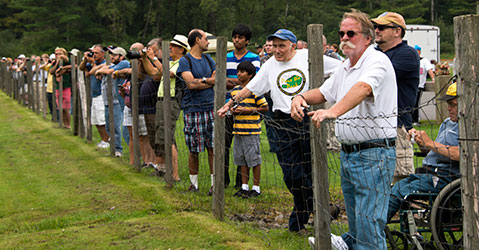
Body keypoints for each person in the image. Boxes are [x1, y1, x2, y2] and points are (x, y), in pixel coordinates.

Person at [296, 9, 397, 249]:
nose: (344, 38)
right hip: (350, 154)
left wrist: (333, 111)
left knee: (368, 226)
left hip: (374, 155)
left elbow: (363, 88)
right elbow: (323, 91)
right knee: (357, 225)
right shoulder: (346, 66)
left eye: (351, 33)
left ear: (368, 38)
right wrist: (301, 97)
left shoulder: (377, 61)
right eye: (341, 33)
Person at [232, 28, 340, 233]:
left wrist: (329, 91)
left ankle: (297, 225)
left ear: (292, 45)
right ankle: (322, 207)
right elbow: (252, 86)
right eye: (274, 46)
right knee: (292, 174)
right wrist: (232, 102)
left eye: (282, 46)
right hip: (282, 121)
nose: (277, 50)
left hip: (308, 118)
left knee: (310, 170)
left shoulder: (307, 57)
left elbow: (341, 69)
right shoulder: (270, 64)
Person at [387, 83, 459, 222]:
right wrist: (422, 142)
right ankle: (379, 227)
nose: (449, 108)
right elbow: (434, 150)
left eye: (453, 104)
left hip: (445, 177)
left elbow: (461, 154)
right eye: (448, 104)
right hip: (428, 173)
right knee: (396, 188)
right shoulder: (447, 123)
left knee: (401, 192)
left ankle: (374, 228)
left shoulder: (469, 127)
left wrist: (430, 143)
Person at [372, 12, 420, 183]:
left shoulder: (407, 54)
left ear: (397, 31)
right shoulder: (374, 54)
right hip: (372, 127)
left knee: (400, 180)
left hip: (397, 126)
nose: (377, 30)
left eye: (382, 27)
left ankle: (408, 210)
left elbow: (377, 78)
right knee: (374, 181)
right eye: (375, 27)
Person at [218, 61, 268, 198]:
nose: (239, 74)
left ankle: (256, 187)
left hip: (251, 131)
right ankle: (244, 187)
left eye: (242, 71)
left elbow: (265, 108)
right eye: (238, 71)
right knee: (241, 160)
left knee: (254, 159)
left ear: (250, 74)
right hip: (238, 130)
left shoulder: (256, 91)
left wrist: (247, 110)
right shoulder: (235, 91)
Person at [177, 29, 216, 194]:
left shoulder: (208, 59)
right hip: (193, 110)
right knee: (193, 149)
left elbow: (217, 78)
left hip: (210, 108)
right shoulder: (185, 61)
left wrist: (203, 81)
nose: (208, 42)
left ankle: (215, 185)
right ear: (198, 40)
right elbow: (191, 84)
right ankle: (194, 184)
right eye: (206, 39)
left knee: (213, 148)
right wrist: (209, 82)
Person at [225, 24, 261, 188]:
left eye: (240, 37)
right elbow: (222, 80)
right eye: (235, 37)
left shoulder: (254, 58)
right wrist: (239, 83)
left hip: (247, 106)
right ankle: (224, 179)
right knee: (226, 144)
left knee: (246, 145)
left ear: (247, 40)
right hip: (228, 105)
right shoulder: (226, 57)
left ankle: (242, 183)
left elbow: (255, 82)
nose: (237, 40)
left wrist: (234, 83)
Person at [154, 34, 189, 181]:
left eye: (173, 46)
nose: (170, 48)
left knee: (169, 135)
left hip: (172, 100)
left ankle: (175, 174)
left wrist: (154, 59)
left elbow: (169, 74)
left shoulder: (182, 62)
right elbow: (157, 73)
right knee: (162, 134)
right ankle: (167, 170)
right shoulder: (170, 61)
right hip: (163, 99)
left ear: (181, 49)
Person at [95, 46, 130, 157]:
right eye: (111, 54)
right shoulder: (114, 65)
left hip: (116, 101)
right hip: (107, 100)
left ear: (122, 56)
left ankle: (118, 150)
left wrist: (100, 70)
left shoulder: (124, 63)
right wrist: (101, 70)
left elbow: (109, 70)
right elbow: (107, 68)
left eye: (114, 55)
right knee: (109, 127)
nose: (112, 57)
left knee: (116, 127)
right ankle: (114, 149)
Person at [79, 45, 110, 148]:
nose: (94, 55)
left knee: (102, 119)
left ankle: (107, 140)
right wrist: (85, 60)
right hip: (94, 94)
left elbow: (91, 72)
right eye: (93, 52)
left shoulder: (105, 63)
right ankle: (103, 139)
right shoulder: (93, 63)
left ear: (102, 53)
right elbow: (82, 68)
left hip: (102, 94)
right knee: (96, 120)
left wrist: (93, 63)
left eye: (96, 53)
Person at [50, 47, 72, 129]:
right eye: (56, 54)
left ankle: (68, 124)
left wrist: (63, 67)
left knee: (66, 108)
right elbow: (51, 71)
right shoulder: (55, 62)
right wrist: (56, 64)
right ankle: (64, 124)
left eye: (59, 53)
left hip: (66, 86)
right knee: (60, 108)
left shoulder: (67, 60)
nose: (57, 55)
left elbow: (69, 62)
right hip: (58, 87)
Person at [413, 44, 435, 124]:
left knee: (415, 102)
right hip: (411, 85)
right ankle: (411, 119)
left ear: (419, 52)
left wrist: (433, 78)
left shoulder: (424, 61)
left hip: (419, 85)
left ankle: (415, 120)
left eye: (417, 51)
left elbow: (429, 70)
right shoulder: (411, 60)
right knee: (410, 103)